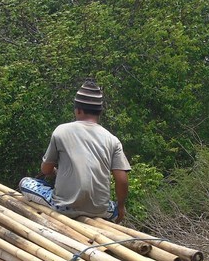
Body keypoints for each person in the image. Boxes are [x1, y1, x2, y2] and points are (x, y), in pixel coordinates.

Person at [19, 79, 130, 223]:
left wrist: (55, 173)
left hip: (64, 207)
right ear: (100, 112)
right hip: (100, 210)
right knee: (114, 207)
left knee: (25, 182)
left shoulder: (61, 131)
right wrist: (120, 207)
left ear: (78, 110)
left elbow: (46, 169)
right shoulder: (112, 139)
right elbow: (122, 180)